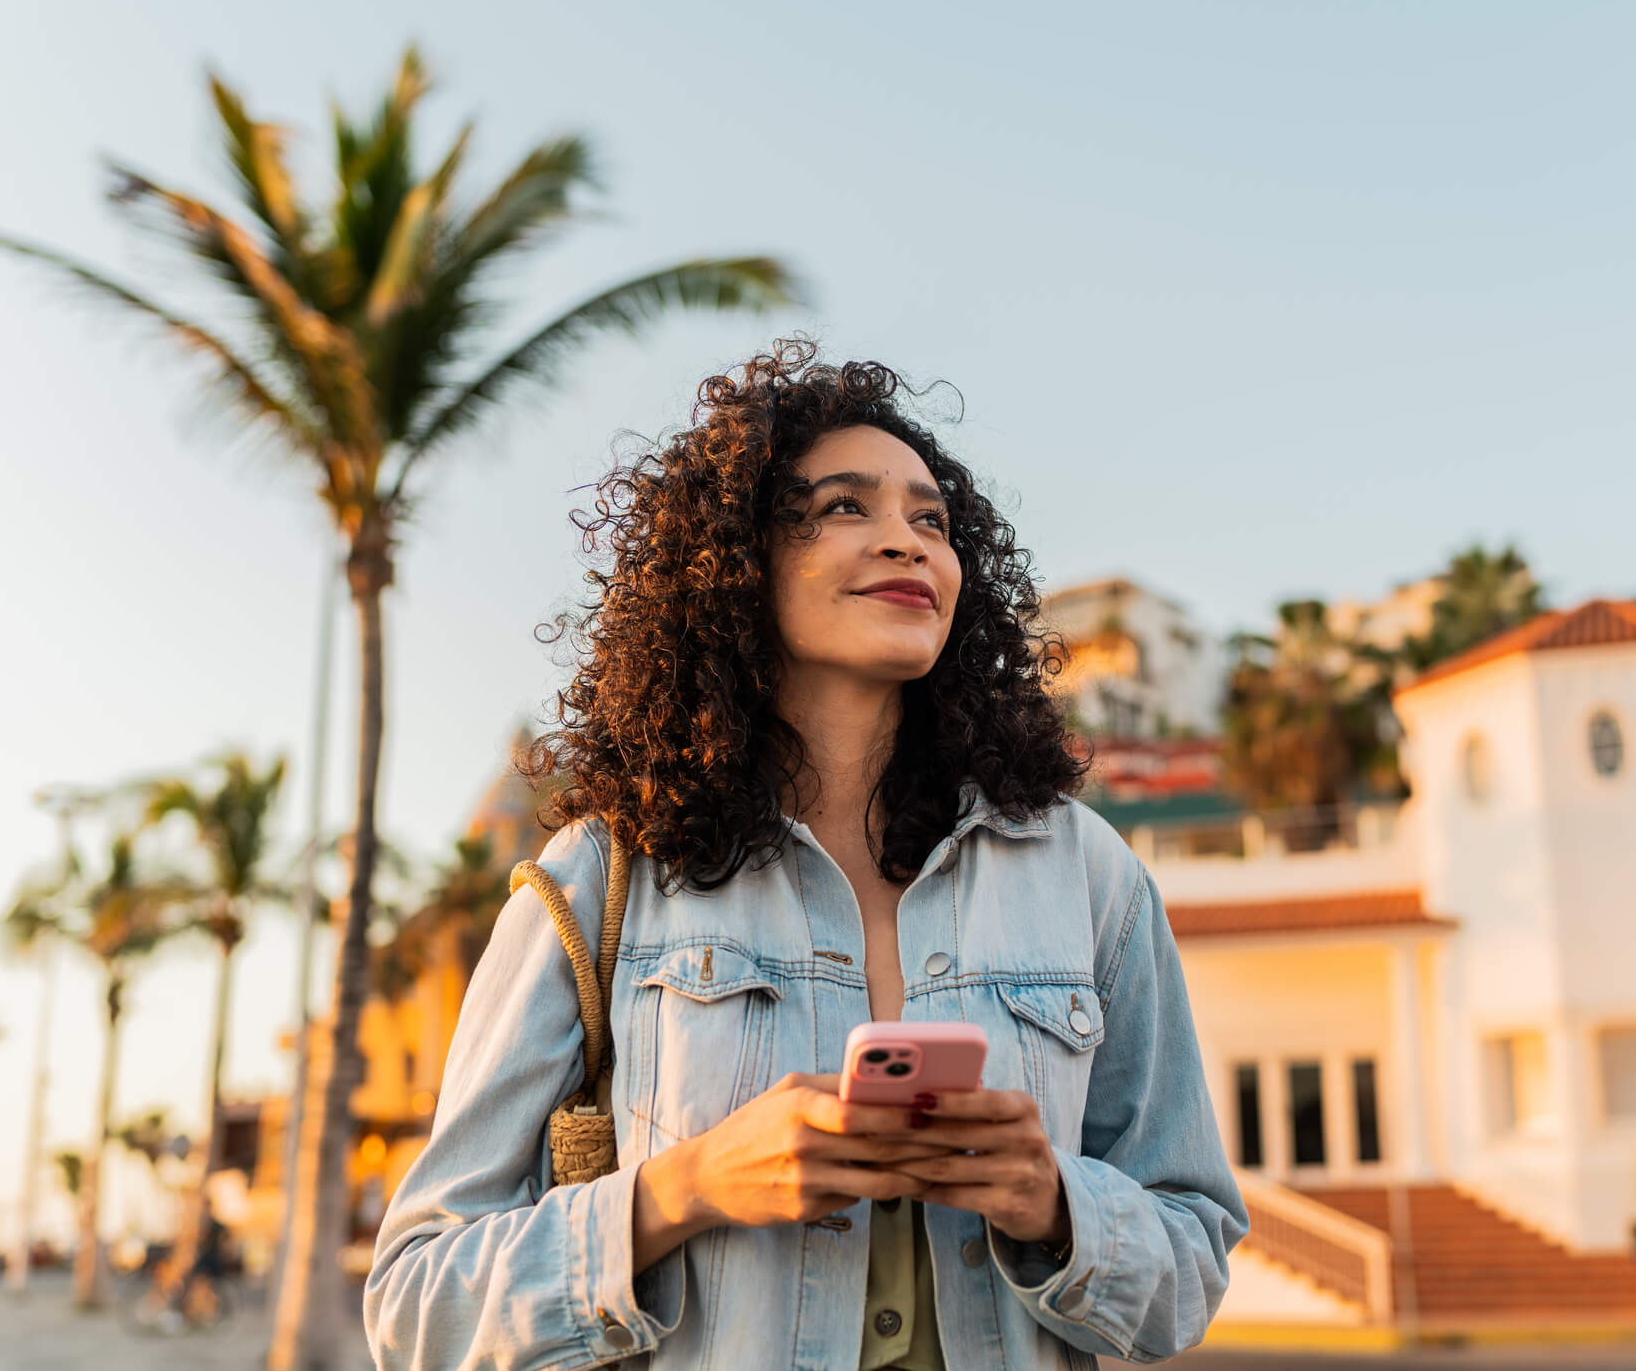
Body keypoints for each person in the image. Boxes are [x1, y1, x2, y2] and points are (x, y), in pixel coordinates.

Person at [364, 340, 1245, 1369]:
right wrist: (684, 1189)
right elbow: (416, 1302)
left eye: (932, 520)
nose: (907, 542)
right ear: (738, 560)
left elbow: (1189, 1261)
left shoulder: (1085, 873)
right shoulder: (602, 875)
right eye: (843, 507)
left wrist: (1054, 1203)